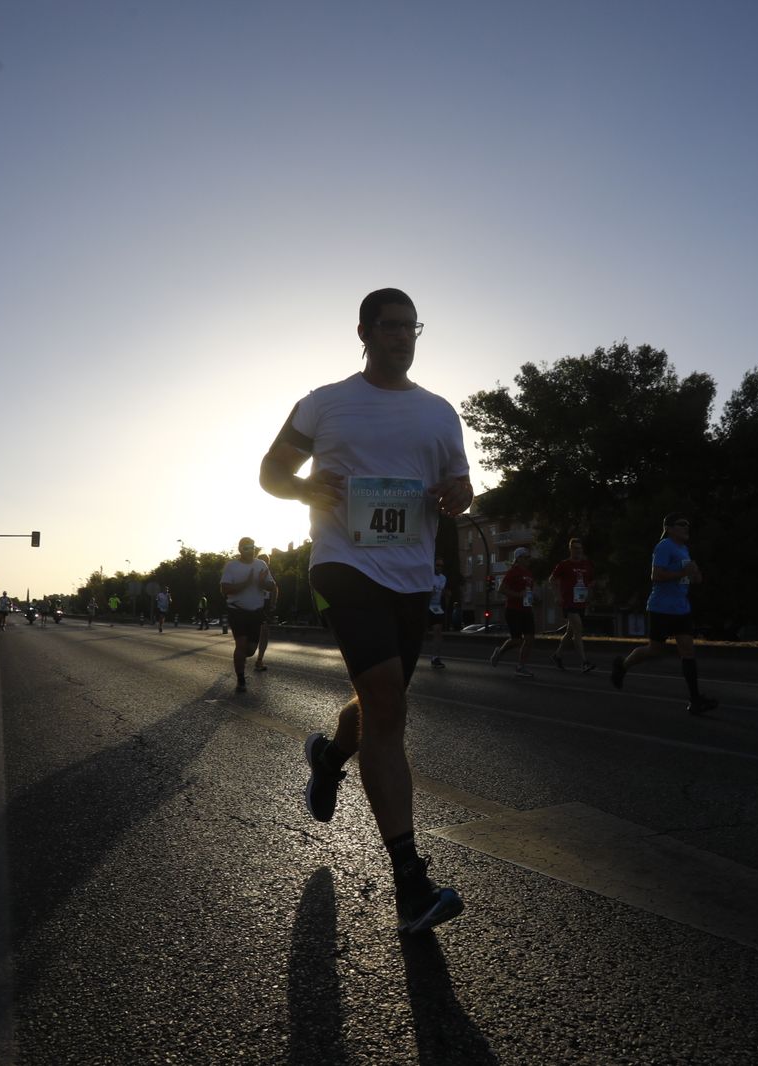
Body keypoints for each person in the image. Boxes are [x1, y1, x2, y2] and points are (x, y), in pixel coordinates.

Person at [260, 286, 472, 935]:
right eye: (390, 326)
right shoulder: (324, 404)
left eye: (412, 327)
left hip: (410, 575)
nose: (402, 337)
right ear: (364, 330)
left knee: (380, 704)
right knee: (387, 704)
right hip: (341, 565)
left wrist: (455, 497)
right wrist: (302, 488)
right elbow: (271, 471)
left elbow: (461, 491)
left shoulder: (440, 414)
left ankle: (329, 758)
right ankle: (410, 887)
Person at [610, 512, 720, 714]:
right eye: (681, 524)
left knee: (688, 650)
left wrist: (695, 574)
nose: (686, 527)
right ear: (669, 528)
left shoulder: (684, 549)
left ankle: (695, 700)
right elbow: (656, 575)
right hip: (661, 607)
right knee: (654, 649)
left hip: (681, 608)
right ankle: (623, 665)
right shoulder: (664, 546)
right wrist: (682, 573)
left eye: (688, 524)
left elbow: (695, 579)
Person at [220, 539, 276, 692]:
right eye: (246, 548)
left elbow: (271, 586)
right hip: (237, 610)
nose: (250, 550)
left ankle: (239, 661)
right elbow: (224, 589)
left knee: (250, 650)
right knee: (241, 643)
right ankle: (241, 680)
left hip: (255, 613)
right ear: (240, 549)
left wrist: (261, 582)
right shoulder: (232, 566)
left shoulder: (261, 565)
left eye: (252, 547)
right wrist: (246, 582)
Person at [549, 537, 596, 673]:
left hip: (581, 603)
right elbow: (552, 580)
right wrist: (557, 596)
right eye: (575, 548)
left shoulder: (587, 564)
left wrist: (591, 591)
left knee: (570, 632)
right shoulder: (564, 564)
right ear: (570, 549)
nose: (578, 551)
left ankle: (557, 655)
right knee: (578, 629)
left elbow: (592, 581)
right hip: (568, 602)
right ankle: (584, 662)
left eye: (580, 548)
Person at [488, 546, 536, 676]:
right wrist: (518, 595)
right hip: (513, 610)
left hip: (526, 609)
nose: (528, 560)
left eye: (528, 558)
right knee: (517, 640)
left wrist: (531, 597)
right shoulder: (513, 572)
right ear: (519, 558)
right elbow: (501, 589)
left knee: (530, 638)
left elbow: (527, 591)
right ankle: (500, 651)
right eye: (526, 558)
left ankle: (521, 667)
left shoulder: (529, 573)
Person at [426, 556, 450, 668]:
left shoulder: (443, 578)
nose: (439, 567)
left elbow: (442, 593)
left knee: (438, 631)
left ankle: (435, 658)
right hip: (425, 607)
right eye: (437, 565)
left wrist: (446, 594)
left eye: (441, 565)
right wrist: (429, 593)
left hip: (436, 607)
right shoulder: (427, 576)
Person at [254, 554, 273, 671]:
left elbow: (275, 587)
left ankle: (259, 660)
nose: (265, 564)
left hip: (264, 605)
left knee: (264, 633)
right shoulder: (251, 572)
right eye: (263, 562)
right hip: (253, 604)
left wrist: (273, 603)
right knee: (254, 634)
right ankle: (242, 654)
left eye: (267, 562)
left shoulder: (268, 574)